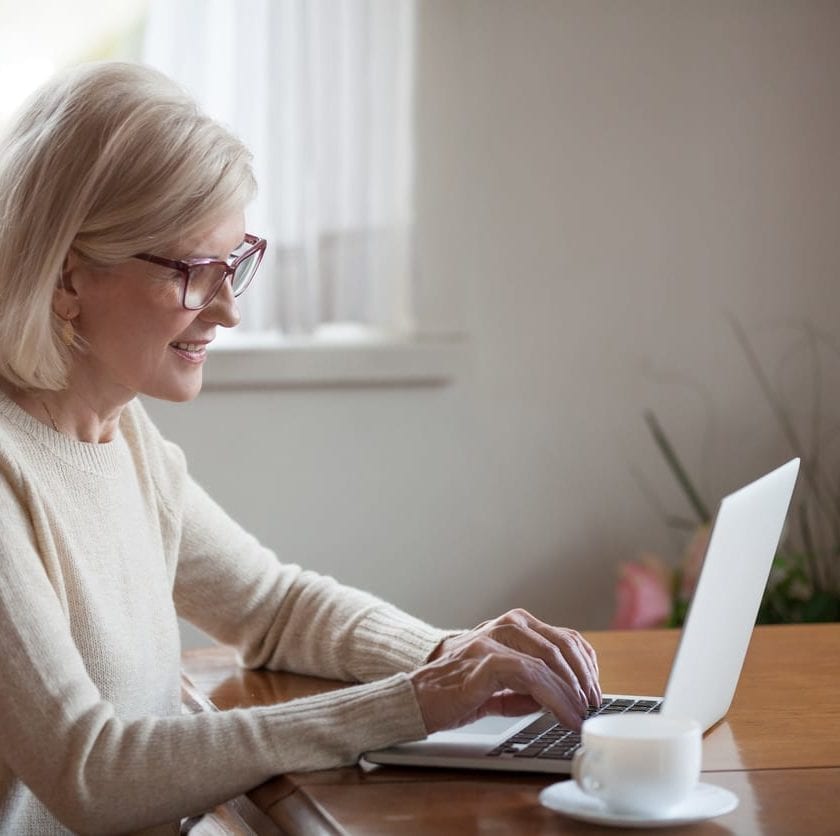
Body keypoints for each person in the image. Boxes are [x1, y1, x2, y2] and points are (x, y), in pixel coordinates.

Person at [0, 62, 601, 835]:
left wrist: (456, 658)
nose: (226, 310)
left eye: (234, 265)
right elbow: (94, 772)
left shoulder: (123, 436)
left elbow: (273, 607)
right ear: (67, 278)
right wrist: (410, 704)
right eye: (193, 272)